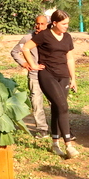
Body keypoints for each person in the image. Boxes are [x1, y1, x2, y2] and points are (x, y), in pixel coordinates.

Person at [21, 10, 79, 159]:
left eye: (67, 24)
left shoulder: (67, 37)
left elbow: (70, 58)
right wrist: (32, 65)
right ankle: (69, 145)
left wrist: (73, 78)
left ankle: (55, 144)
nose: (67, 26)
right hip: (47, 75)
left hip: (64, 76)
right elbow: (26, 48)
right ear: (54, 23)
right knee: (63, 106)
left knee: (57, 108)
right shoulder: (44, 35)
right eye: (64, 24)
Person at [10, 15, 50, 138]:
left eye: (42, 24)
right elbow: (15, 52)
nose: (39, 26)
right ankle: (42, 129)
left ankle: (59, 128)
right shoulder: (27, 38)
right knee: (36, 102)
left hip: (50, 76)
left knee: (55, 102)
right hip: (35, 76)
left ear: (47, 25)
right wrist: (24, 63)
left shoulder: (52, 38)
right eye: (37, 23)